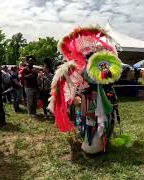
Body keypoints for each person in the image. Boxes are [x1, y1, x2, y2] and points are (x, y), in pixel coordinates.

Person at [48, 26, 123, 154]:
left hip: (104, 96)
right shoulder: (81, 69)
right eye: (89, 56)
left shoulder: (103, 67)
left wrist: (106, 79)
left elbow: (111, 80)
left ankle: (103, 141)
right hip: (89, 99)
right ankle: (92, 144)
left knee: (106, 117)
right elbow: (78, 83)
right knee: (91, 120)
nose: (90, 57)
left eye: (92, 55)